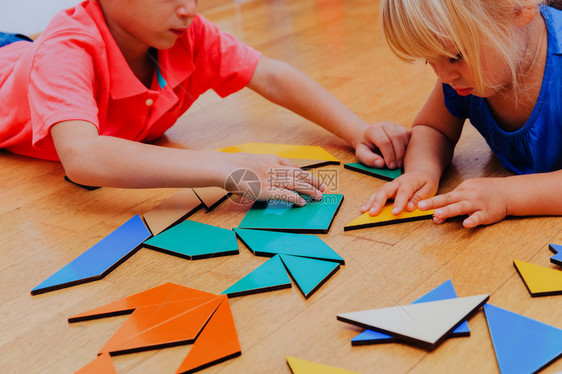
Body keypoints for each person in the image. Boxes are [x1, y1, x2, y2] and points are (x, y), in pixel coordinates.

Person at [0, 0, 410, 206]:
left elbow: (271, 76)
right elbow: (83, 156)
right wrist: (227, 167)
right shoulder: (66, 49)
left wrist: (357, 129)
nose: (190, 8)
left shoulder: (188, 32)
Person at [361, 0, 562, 228]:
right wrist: (422, 169)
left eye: (455, 56)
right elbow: (433, 128)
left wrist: (507, 195)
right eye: (429, 60)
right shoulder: (459, 77)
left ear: (519, 10)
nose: (444, 76)